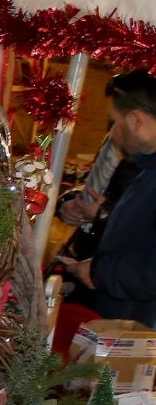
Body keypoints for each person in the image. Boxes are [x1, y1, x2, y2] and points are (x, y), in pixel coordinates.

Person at [66, 70, 156, 325]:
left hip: (140, 332)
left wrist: (98, 272)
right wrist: (106, 213)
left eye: (114, 122)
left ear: (136, 120)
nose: (113, 134)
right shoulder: (146, 168)